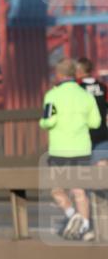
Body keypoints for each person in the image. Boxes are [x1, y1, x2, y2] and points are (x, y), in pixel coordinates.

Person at [40, 58, 102, 240]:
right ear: (75, 73)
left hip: (60, 150)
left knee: (56, 189)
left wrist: (44, 122)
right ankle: (86, 227)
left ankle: (73, 216)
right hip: (82, 149)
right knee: (79, 190)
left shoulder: (52, 95)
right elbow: (95, 122)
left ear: (58, 74)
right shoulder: (86, 96)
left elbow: (48, 121)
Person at [77, 57, 108, 166]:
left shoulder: (78, 88)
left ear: (79, 70)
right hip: (103, 135)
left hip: (84, 136)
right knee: (102, 171)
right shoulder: (103, 87)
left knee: (85, 172)